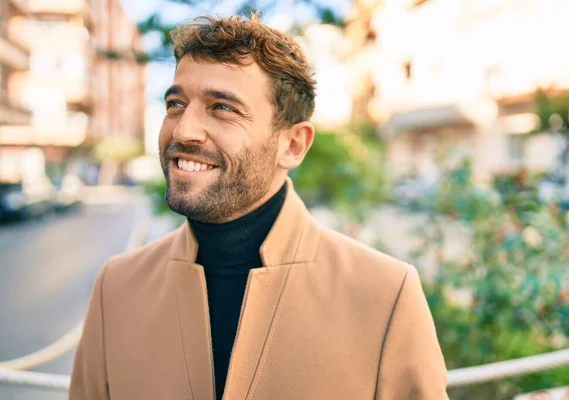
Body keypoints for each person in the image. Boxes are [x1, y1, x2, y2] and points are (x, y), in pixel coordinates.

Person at [70, 14, 448, 400]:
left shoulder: (385, 294)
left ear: (294, 145)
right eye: (176, 103)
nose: (183, 130)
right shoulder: (115, 288)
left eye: (223, 108)